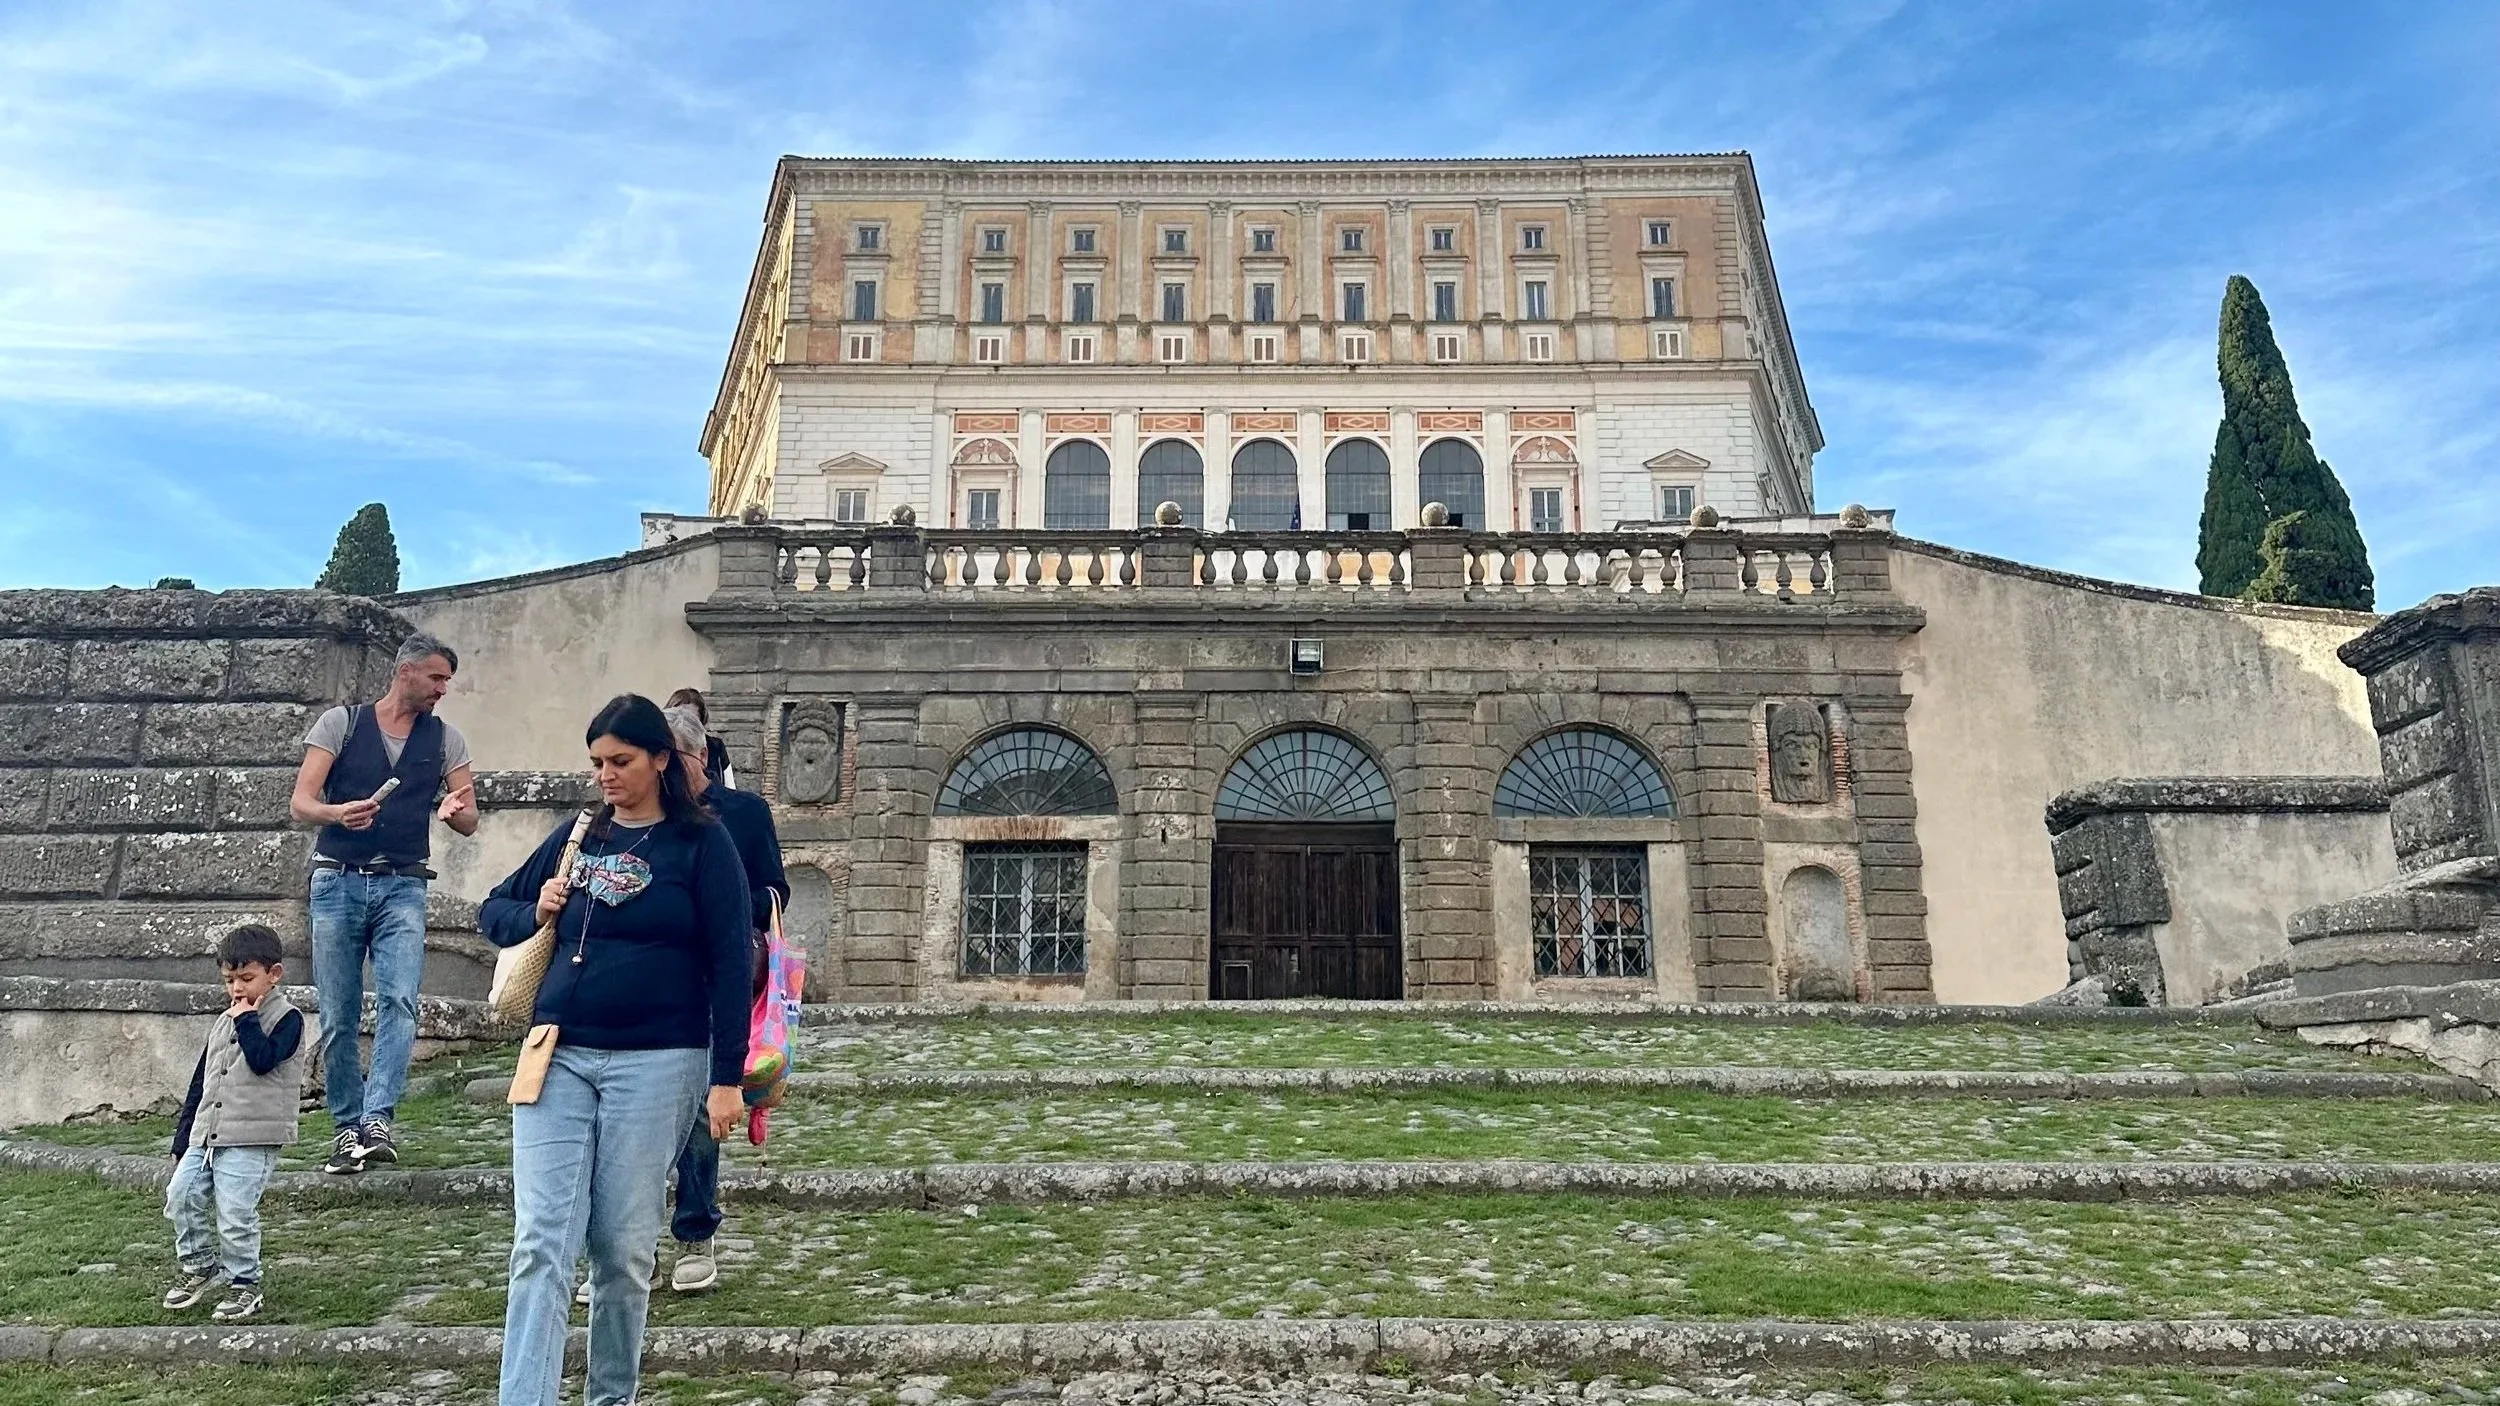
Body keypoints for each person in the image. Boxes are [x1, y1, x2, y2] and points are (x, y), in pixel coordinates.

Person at [480, 694, 750, 1406]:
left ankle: (611, 1397)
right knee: (541, 1242)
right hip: (556, 1052)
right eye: (598, 762)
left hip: (661, 1059)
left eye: (621, 761)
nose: (606, 775)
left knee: (623, 1252)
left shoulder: (703, 845)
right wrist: (534, 909)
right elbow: (493, 911)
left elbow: (730, 962)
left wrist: (727, 1079)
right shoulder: (578, 834)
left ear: (661, 759)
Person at [289, 631, 478, 1175]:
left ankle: (378, 1120)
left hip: (403, 884)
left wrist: (454, 812)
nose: (443, 689)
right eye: (437, 678)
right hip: (337, 880)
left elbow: (470, 817)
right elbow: (302, 802)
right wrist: (337, 813)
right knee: (340, 1010)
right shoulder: (340, 724)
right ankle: (346, 1128)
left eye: (446, 680)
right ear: (406, 672)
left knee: (400, 1002)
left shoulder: (446, 740)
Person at [659, 702, 786, 1293]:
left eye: (668, 759)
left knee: (698, 1116)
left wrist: (723, 900)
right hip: (649, 980)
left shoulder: (745, 814)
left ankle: (694, 1232)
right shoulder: (641, 816)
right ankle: (628, 1243)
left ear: (697, 756)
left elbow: (774, 895)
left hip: (717, 977)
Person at [161, 924, 309, 1324]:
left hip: (252, 1137)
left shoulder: (287, 1019)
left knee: (235, 1213)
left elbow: (263, 1060)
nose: (237, 989)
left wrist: (246, 1019)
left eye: (247, 979)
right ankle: (199, 1265)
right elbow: (201, 1082)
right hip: (207, 1134)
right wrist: (183, 1139)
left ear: (273, 974)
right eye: (229, 980)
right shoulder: (223, 1020)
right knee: (181, 1195)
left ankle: (245, 1284)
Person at [665, 687, 736, 789]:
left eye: (691, 718)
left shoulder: (715, 746)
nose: (685, 723)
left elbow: (729, 786)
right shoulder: (662, 745)